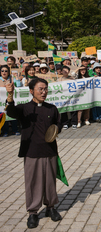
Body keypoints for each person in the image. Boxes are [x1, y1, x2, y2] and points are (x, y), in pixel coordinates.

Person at [5, 78, 63, 229]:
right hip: (31, 151)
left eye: (45, 89)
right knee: (33, 183)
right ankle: (33, 212)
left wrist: (56, 129)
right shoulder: (24, 108)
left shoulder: (52, 108)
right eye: (40, 89)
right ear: (31, 91)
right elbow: (11, 111)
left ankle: (50, 207)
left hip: (50, 151)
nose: (44, 92)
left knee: (50, 181)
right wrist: (10, 96)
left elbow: (58, 122)